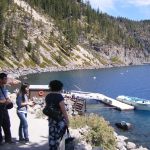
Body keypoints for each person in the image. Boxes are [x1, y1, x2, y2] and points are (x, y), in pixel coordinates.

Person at [44, 80, 69, 150]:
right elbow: (63, 110)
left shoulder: (48, 96)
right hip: (59, 121)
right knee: (60, 138)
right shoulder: (59, 97)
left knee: (52, 137)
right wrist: (67, 120)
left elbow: (48, 108)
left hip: (51, 120)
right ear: (59, 88)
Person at [0, 73, 14, 145]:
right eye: (5, 78)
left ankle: (8, 139)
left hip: (4, 107)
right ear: (1, 79)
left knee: (7, 124)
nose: (6, 79)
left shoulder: (4, 87)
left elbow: (6, 96)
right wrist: (4, 101)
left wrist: (8, 100)